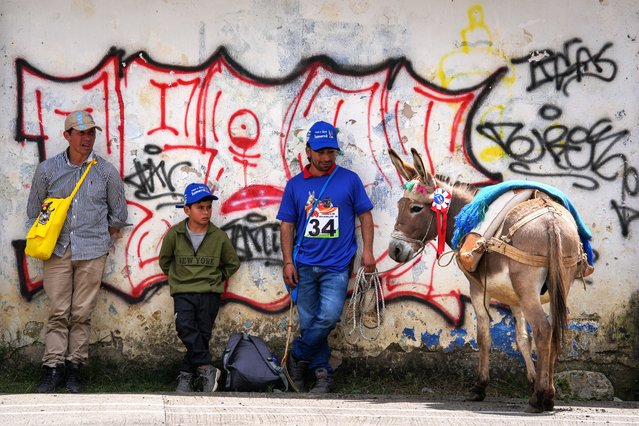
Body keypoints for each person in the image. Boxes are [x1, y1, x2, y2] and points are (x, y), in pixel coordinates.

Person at [26, 110, 128, 393]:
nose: (87, 138)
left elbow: (118, 214)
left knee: (82, 312)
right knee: (58, 311)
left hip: (92, 251)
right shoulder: (48, 170)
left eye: (91, 132)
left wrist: (98, 237)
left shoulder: (105, 171)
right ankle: (52, 368)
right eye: (81, 133)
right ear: (67, 135)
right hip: (57, 250)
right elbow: (33, 211)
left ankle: (74, 368)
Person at [277, 120, 376, 393]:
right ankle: (322, 374)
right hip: (304, 265)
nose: (325, 158)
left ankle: (296, 356)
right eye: (320, 152)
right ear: (308, 151)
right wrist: (287, 261)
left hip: (336, 266)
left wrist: (367, 250)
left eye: (331, 152)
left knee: (328, 316)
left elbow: (364, 215)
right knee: (309, 321)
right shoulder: (295, 185)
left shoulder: (349, 180)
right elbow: (287, 224)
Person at [159, 183, 240, 393]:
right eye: (200, 208)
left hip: (209, 294)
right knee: (185, 327)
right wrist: (179, 278)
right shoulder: (175, 234)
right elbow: (165, 261)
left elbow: (232, 263)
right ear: (187, 210)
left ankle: (187, 376)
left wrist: (216, 279)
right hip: (183, 292)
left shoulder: (218, 236)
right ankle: (206, 367)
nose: (206, 212)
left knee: (202, 335)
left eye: (208, 208)